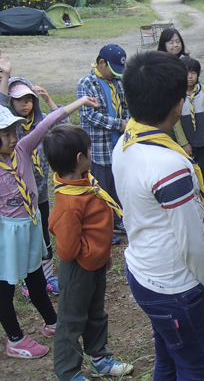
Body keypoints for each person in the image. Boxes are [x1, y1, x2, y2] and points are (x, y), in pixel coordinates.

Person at [112, 51, 204, 380]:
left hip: (144, 273)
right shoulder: (169, 166)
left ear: (129, 99)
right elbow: (192, 245)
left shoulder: (125, 142)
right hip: (176, 288)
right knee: (198, 368)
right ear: (178, 105)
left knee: (170, 360)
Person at [0, 50, 98, 359]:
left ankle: (52, 322)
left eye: (14, 130)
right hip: (7, 232)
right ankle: (15, 338)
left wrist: (79, 102)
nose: (13, 136)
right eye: (4, 134)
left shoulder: (24, 147)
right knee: (5, 285)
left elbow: (50, 122)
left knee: (35, 276)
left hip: (30, 224)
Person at [44, 124, 134, 381]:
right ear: (79, 159)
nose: (91, 154)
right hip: (78, 269)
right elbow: (68, 250)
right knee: (71, 321)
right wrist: (92, 253)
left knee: (96, 312)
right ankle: (68, 373)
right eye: (89, 151)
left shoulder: (86, 184)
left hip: (95, 263)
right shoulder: (70, 201)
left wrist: (100, 254)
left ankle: (99, 359)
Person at [0, 75, 67, 297]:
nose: (25, 104)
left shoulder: (40, 123)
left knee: (44, 239)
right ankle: (29, 281)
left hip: (40, 195)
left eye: (29, 98)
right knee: (23, 244)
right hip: (16, 203)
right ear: (10, 102)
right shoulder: (11, 130)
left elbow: (63, 126)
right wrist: (5, 77)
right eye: (19, 100)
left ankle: (47, 277)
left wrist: (49, 100)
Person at [76, 44, 129, 244]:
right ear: (101, 63)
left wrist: (127, 122)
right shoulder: (87, 83)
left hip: (119, 145)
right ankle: (103, 229)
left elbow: (124, 106)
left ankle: (118, 220)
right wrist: (119, 123)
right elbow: (90, 116)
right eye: (112, 69)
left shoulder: (117, 82)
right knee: (100, 189)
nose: (115, 74)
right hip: (99, 149)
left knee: (118, 186)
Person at [173, 56, 204, 217]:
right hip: (188, 143)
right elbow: (176, 121)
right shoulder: (177, 95)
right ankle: (194, 203)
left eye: (193, 73)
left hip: (203, 140)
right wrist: (184, 143)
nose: (190, 77)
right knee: (189, 173)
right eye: (186, 73)